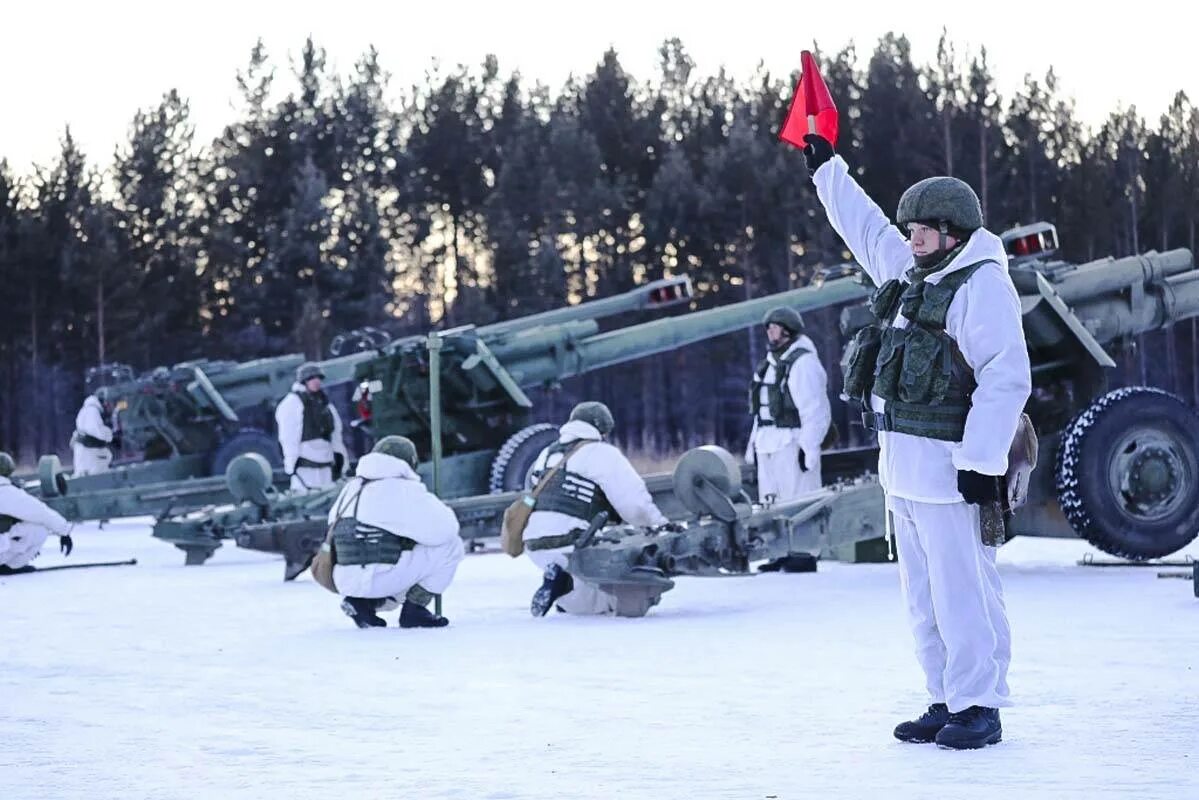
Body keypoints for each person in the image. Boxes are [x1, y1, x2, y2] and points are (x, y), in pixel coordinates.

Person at [803, 132, 1031, 749]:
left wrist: (981, 463)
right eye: (911, 230)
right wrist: (828, 170)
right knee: (923, 600)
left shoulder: (982, 285)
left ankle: (979, 703)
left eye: (923, 229)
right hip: (902, 471)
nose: (911, 238)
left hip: (953, 472)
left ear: (952, 231)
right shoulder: (911, 274)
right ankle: (945, 696)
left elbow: (1005, 378)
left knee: (965, 594)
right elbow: (866, 229)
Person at [523, 401, 668, 617]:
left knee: (584, 590)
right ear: (601, 429)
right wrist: (658, 526)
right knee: (631, 599)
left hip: (534, 544)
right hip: (572, 542)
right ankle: (567, 587)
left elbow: (530, 495)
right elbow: (634, 505)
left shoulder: (545, 455)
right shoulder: (601, 453)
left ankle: (562, 584)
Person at [328, 435, 464, 629]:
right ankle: (415, 610)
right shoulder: (402, 488)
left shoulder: (350, 488)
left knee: (388, 554)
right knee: (452, 546)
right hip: (377, 578)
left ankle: (362, 604)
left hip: (345, 580)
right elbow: (447, 529)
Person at [745, 307, 832, 503]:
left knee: (799, 503)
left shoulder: (803, 363)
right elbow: (762, 410)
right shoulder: (768, 365)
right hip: (767, 444)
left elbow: (816, 410)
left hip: (792, 444)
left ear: (788, 329)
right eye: (768, 328)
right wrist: (753, 445)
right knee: (770, 506)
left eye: (775, 327)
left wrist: (808, 449)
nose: (770, 331)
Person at [275, 362, 349, 492]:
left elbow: (336, 433)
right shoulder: (293, 402)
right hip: (305, 465)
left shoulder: (324, 403)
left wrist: (341, 460)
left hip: (326, 462)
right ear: (304, 381)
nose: (316, 381)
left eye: (318, 378)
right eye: (311, 378)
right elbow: (288, 436)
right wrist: (291, 464)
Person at [0, 452, 75, 574]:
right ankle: (10, 566)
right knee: (39, 528)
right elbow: (41, 513)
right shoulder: (7, 492)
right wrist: (64, 532)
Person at [72, 389, 116, 476]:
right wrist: (111, 436)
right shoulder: (91, 411)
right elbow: (96, 430)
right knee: (91, 478)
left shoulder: (92, 410)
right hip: (89, 452)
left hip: (91, 452)